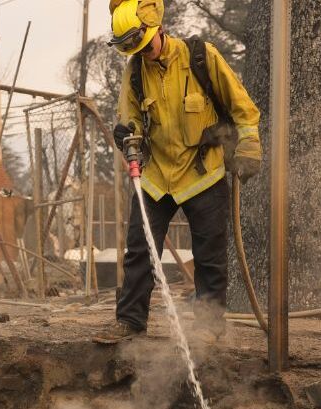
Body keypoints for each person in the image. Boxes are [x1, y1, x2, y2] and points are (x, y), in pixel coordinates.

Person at [94, 0, 262, 344]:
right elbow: (129, 120)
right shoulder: (136, 71)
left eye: (145, 46)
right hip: (157, 177)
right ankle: (129, 320)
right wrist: (127, 137)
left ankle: (209, 326)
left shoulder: (201, 57)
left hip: (203, 172)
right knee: (139, 250)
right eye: (134, 50)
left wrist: (248, 146)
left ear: (158, 30)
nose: (143, 54)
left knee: (209, 255)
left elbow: (243, 108)